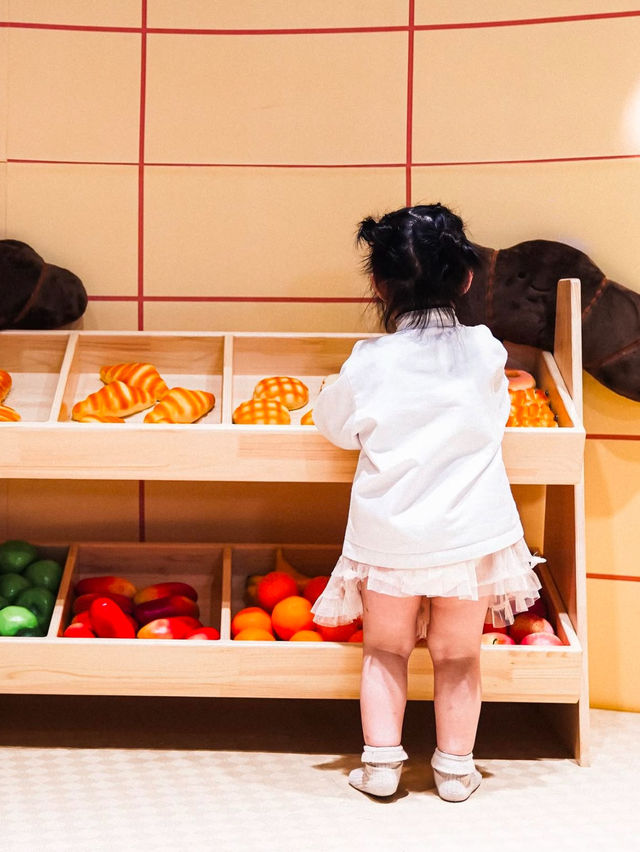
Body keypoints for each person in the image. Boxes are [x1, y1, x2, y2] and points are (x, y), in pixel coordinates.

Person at [311, 203, 543, 802]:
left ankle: (382, 765)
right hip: (471, 534)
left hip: (391, 536)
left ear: (377, 285)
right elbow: (498, 412)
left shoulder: (371, 362)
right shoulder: (486, 350)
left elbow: (337, 427)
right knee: (459, 655)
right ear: (465, 277)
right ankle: (456, 769)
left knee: (385, 649)